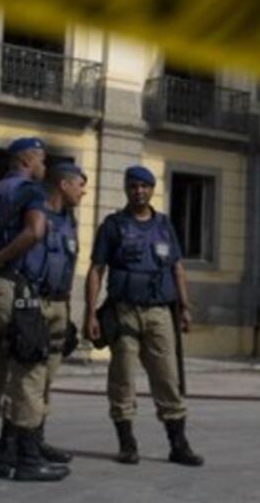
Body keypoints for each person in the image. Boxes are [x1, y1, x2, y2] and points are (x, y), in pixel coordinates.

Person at [0, 137, 69, 482]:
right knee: (29, 366)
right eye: (42, 160)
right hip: (11, 286)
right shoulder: (30, 191)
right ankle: (27, 458)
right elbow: (35, 232)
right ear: (28, 160)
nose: (45, 167)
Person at [84, 165, 204, 467]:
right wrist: (90, 315)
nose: (139, 191)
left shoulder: (164, 225)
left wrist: (185, 307)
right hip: (124, 312)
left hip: (160, 313)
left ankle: (178, 445)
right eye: (133, 186)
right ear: (127, 189)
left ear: (152, 190)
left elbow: (177, 268)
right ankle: (127, 444)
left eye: (144, 186)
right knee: (122, 378)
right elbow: (97, 270)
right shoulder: (113, 225)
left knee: (168, 378)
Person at [0, 162, 87, 468]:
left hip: (59, 305)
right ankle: (14, 450)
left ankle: (33, 439)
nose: (83, 192)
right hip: (33, 303)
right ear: (64, 185)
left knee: (44, 381)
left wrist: (69, 315)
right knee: (25, 379)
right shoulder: (35, 214)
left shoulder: (69, 220)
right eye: (80, 185)